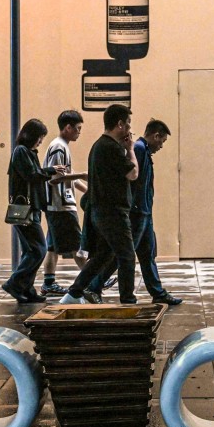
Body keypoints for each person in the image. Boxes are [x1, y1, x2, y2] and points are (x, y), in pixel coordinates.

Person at [84, 119, 183, 306]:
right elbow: (131, 180)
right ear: (156, 136)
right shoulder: (138, 149)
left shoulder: (143, 150)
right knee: (123, 255)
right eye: (161, 141)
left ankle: (157, 292)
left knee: (147, 254)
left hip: (144, 212)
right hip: (137, 213)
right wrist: (135, 209)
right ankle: (95, 286)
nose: (161, 146)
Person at [61, 104, 139, 304]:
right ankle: (128, 300)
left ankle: (74, 292)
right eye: (128, 124)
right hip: (113, 212)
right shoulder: (111, 147)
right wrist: (130, 150)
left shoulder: (98, 146)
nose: (130, 129)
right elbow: (133, 173)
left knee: (103, 255)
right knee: (127, 256)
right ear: (120, 124)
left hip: (101, 211)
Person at [2, 119, 66, 304]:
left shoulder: (28, 152)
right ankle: (14, 283)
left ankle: (28, 290)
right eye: (39, 137)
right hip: (26, 209)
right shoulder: (21, 151)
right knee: (39, 249)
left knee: (30, 250)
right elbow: (31, 174)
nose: (40, 141)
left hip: (32, 208)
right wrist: (50, 170)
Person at [41, 110, 88, 296]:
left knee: (52, 247)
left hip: (58, 204)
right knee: (78, 245)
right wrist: (82, 175)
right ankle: (92, 278)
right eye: (77, 128)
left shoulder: (62, 147)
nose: (79, 132)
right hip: (60, 205)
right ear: (67, 127)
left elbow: (67, 177)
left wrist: (87, 189)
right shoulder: (59, 148)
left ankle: (48, 283)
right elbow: (54, 179)